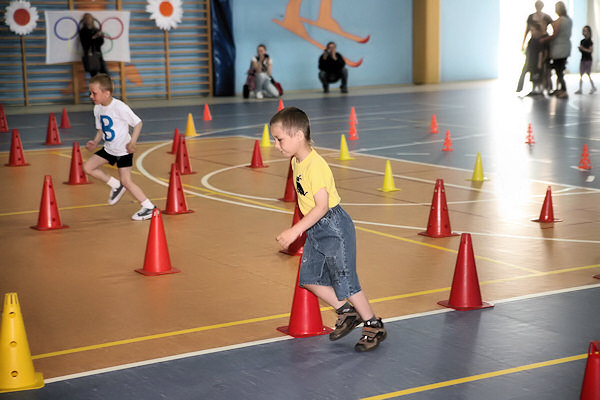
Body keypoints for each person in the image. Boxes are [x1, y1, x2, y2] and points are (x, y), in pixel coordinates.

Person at [270, 107, 386, 352]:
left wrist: (295, 231)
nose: (276, 144)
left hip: (334, 227)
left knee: (345, 280)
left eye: (279, 139)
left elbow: (322, 206)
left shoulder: (316, 166)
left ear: (298, 135)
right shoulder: (296, 162)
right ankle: (347, 312)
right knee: (309, 279)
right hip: (316, 229)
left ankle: (373, 324)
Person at [83, 74, 155, 221]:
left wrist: (132, 142)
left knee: (127, 181)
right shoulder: (97, 108)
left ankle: (149, 207)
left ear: (106, 93)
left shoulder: (119, 107)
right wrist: (96, 141)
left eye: (94, 93)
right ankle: (116, 185)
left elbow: (138, 123)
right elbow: (101, 129)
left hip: (123, 151)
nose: (91, 96)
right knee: (87, 167)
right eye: (90, 92)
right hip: (109, 149)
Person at [516, 1, 552, 93]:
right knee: (529, 65)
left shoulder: (546, 17)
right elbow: (527, 30)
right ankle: (525, 87)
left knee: (543, 65)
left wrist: (547, 37)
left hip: (543, 42)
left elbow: (554, 26)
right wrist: (523, 43)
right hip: (533, 43)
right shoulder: (531, 17)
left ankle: (545, 86)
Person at [545, 1, 572, 99]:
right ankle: (560, 89)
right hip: (566, 47)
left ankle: (564, 90)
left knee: (558, 71)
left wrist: (543, 39)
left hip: (559, 48)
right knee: (560, 69)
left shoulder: (560, 20)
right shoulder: (569, 20)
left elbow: (554, 34)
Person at [79, 13, 109, 77]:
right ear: (84, 21)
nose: (88, 20)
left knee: (106, 75)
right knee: (94, 77)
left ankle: (107, 86)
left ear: (92, 20)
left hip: (98, 55)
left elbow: (101, 42)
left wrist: (100, 36)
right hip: (89, 56)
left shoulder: (96, 30)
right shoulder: (83, 31)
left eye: (89, 18)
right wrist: (94, 37)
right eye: (86, 19)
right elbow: (84, 43)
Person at [525, 23, 549, 96]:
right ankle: (534, 90)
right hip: (532, 62)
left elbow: (541, 53)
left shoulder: (539, 41)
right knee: (533, 77)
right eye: (531, 30)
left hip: (537, 63)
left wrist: (539, 63)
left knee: (538, 77)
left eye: (533, 30)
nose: (531, 32)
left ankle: (540, 90)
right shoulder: (531, 40)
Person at [575, 25, 597, 94]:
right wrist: (580, 49)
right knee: (581, 74)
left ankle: (593, 87)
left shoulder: (589, 41)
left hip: (588, 60)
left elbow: (590, 50)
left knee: (588, 74)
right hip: (583, 59)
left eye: (585, 31)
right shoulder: (582, 41)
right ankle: (580, 88)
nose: (584, 32)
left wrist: (583, 49)